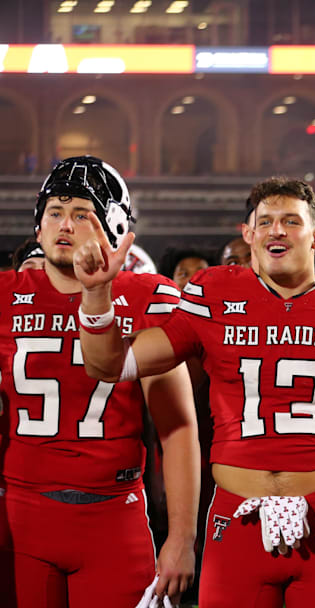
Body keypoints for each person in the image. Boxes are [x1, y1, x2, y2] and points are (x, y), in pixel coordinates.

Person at [71, 176, 315, 607]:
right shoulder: (213, 293)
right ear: (248, 234)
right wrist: (95, 295)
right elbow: (109, 364)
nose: (277, 230)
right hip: (234, 522)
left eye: (291, 221)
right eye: (266, 221)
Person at [0, 155, 200, 606]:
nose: (64, 225)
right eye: (54, 212)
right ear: (37, 226)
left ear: (112, 229)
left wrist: (183, 536)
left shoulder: (146, 296)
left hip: (114, 514)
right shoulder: (6, 294)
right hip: (20, 513)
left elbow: (178, 426)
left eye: (81, 214)